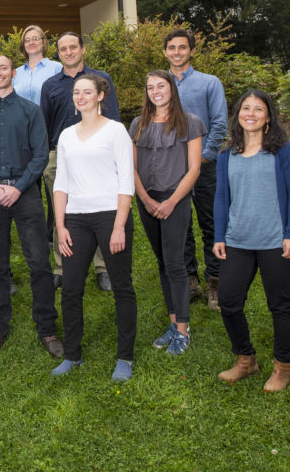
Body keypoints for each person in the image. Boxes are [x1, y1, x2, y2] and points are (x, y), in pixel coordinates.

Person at [0, 54, 62, 357]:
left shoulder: (31, 111)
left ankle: (46, 328)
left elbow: (40, 154)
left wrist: (18, 188)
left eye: (3, 68)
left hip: (25, 194)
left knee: (39, 263)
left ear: (13, 73)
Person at [213, 90, 290, 392]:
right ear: (237, 114)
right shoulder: (227, 155)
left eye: (258, 109)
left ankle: (283, 366)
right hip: (238, 240)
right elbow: (221, 198)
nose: (250, 113)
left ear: (268, 117)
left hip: (276, 241)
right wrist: (219, 236)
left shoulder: (283, 152)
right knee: (228, 300)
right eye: (245, 108)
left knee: (280, 304)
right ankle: (246, 360)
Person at [50, 75, 137, 382]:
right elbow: (61, 184)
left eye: (87, 91)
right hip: (76, 218)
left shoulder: (115, 131)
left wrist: (119, 226)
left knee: (122, 287)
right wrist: (60, 227)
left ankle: (124, 356)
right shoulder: (66, 135)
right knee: (71, 288)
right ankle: (72, 355)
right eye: (77, 92)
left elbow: (126, 180)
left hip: (111, 216)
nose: (81, 96)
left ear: (101, 96)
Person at [130, 70, 205, 356]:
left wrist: (172, 201)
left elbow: (195, 168)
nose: (155, 91)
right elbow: (132, 167)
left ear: (171, 88)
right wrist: (146, 199)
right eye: (150, 87)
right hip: (147, 200)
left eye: (161, 85)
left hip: (176, 199)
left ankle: (184, 331)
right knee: (162, 262)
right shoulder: (138, 124)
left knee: (175, 263)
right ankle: (173, 324)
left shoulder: (190, 123)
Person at [40, 31, 121, 291]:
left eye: (73, 47)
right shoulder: (50, 85)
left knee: (100, 209)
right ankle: (61, 267)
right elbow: (44, 124)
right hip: (60, 155)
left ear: (83, 49)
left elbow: (114, 118)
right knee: (60, 211)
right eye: (63, 49)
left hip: (98, 155)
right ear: (59, 53)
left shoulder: (101, 80)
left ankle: (103, 267)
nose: (68, 52)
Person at [164, 28, 229, 310]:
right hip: (171, 169)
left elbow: (218, 123)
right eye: (172, 48)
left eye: (182, 47)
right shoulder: (160, 84)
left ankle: (215, 281)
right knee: (181, 225)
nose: (177, 52)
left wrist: (202, 158)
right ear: (165, 51)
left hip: (203, 166)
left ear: (191, 50)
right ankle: (190, 279)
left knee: (210, 222)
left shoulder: (208, 83)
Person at [11, 25, 62, 106]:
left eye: (35, 39)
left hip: (47, 118)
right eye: (27, 40)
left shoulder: (56, 68)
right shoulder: (16, 73)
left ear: (44, 42)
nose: (31, 43)